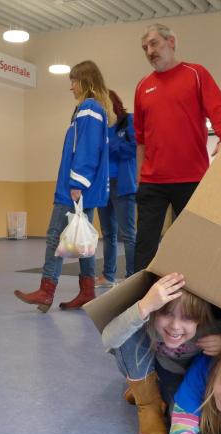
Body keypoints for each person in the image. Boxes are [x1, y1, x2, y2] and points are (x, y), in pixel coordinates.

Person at [133, 23, 221, 272]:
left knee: (193, 244)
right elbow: (141, 139)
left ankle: (193, 292)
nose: (150, 51)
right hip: (152, 182)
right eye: (145, 48)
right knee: (144, 246)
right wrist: (139, 178)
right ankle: (141, 295)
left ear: (171, 42)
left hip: (191, 179)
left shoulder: (196, 74)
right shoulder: (143, 86)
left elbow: (220, 110)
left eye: (154, 43)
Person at [13, 60, 111, 312]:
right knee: (83, 239)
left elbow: (87, 148)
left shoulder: (88, 108)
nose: (71, 87)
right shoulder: (94, 109)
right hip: (85, 189)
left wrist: (77, 182)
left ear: (85, 81)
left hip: (75, 188)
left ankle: (46, 290)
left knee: (55, 236)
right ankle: (87, 292)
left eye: (74, 81)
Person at [101, 272, 221, 434]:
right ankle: (148, 403)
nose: (175, 326)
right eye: (166, 313)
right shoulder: (149, 318)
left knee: (183, 419)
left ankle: (146, 391)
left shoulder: (210, 328)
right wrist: (145, 306)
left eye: (187, 317)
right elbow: (109, 340)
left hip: (181, 378)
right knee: (129, 331)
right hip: (151, 368)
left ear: (200, 320)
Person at [95, 90, 137, 288]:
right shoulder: (99, 126)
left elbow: (135, 147)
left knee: (128, 234)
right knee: (108, 233)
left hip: (123, 183)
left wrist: (111, 145)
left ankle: (132, 277)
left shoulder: (128, 121)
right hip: (103, 185)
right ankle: (108, 276)